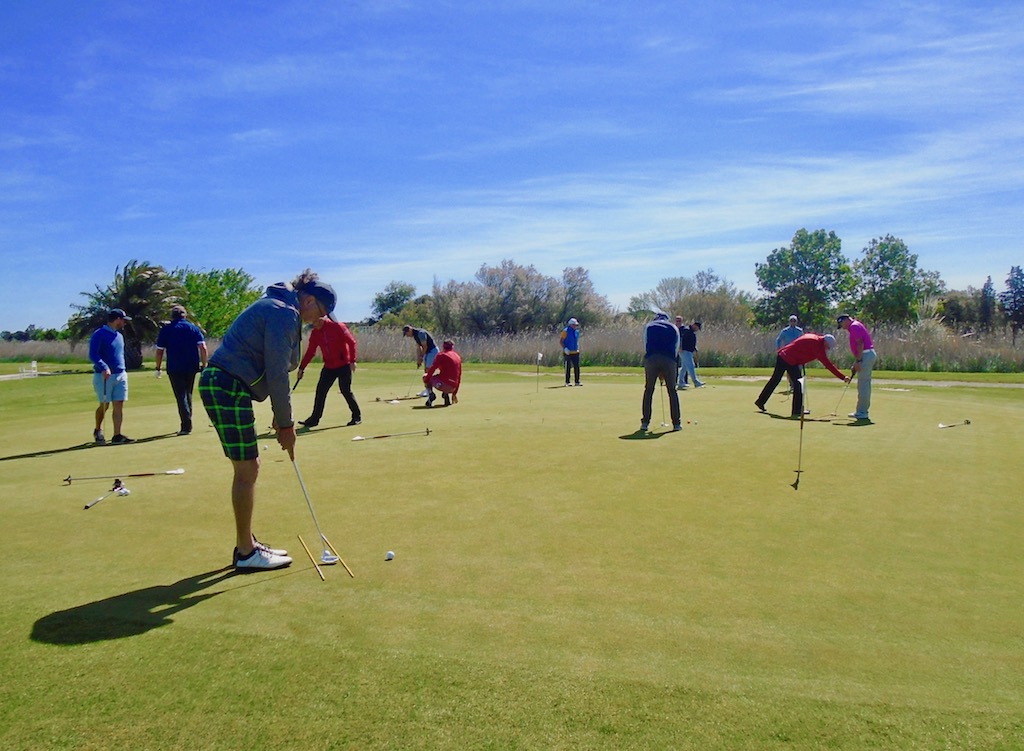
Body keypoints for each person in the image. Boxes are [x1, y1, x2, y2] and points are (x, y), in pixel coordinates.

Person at [198, 270, 336, 572]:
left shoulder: (279, 307)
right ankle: (246, 553)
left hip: (225, 384)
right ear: (309, 300)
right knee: (248, 469)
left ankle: (246, 545)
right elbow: (276, 370)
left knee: (248, 467)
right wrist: (286, 425)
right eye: (319, 313)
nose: (316, 321)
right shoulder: (284, 313)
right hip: (226, 385)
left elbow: (274, 368)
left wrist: (279, 414)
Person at [755, 333, 850, 417]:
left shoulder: (814, 337)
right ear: (825, 342)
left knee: (794, 383)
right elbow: (828, 365)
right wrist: (842, 377)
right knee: (781, 381)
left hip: (789, 359)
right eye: (828, 347)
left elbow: (801, 348)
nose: (827, 349)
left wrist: (801, 360)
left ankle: (795, 409)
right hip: (786, 358)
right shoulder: (817, 346)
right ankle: (793, 410)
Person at [297, 314, 360, 427]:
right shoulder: (315, 333)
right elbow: (311, 352)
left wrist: (352, 360)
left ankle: (356, 416)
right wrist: (302, 367)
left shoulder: (338, 327)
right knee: (321, 391)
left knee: (345, 390)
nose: (314, 324)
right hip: (329, 366)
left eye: (316, 320)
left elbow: (351, 342)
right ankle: (314, 419)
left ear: (323, 317)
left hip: (343, 364)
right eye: (313, 322)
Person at [154, 305, 208, 435]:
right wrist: (204, 364)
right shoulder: (193, 328)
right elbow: (203, 348)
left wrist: (158, 367)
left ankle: (186, 425)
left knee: (181, 395)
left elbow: (159, 351)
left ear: (172, 316)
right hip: (191, 366)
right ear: (185, 315)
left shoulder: (167, 330)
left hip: (175, 367)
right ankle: (187, 420)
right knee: (187, 393)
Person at [89, 308, 134, 445]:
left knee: (119, 404)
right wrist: (104, 367)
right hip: (104, 375)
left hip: (120, 374)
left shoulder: (119, 336)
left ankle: (117, 435)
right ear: (117, 319)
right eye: (123, 320)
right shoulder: (99, 334)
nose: (125, 323)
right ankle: (98, 430)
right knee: (104, 405)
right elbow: (93, 354)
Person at [640, 313, 681, 432]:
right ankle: (676, 423)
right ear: (667, 319)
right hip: (669, 359)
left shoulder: (649, 326)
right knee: (672, 391)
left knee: (649, 390)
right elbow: (676, 348)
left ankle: (645, 423)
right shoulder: (673, 327)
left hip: (651, 358)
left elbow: (645, 344)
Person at [837, 314, 876, 421]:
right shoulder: (855, 326)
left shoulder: (854, 326)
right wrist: (856, 362)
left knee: (863, 384)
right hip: (865, 355)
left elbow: (860, 344)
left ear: (845, 320)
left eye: (841, 324)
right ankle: (860, 411)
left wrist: (858, 361)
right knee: (862, 384)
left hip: (865, 355)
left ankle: (862, 412)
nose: (843, 327)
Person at [422, 339, 462, 407]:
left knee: (425, 376)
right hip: (453, 387)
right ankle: (446, 396)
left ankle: (431, 395)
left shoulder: (441, 355)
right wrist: (454, 393)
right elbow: (459, 375)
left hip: (443, 385)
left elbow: (432, 369)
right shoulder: (457, 356)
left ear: (443, 346)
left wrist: (426, 380)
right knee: (443, 376)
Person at [403, 325, 438, 396]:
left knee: (428, 370)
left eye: (407, 333)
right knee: (426, 371)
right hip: (428, 352)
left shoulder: (420, 333)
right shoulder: (415, 335)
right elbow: (418, 348)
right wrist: (418, 358)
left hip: (432, 351)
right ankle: (428, 390)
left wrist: (421, 357)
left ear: (410, 330)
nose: (407, 336)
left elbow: (425, 346)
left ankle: (429, 391)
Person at [775, 314, 804, 394]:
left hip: (797, 352)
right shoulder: (785, 331)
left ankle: (797, 384)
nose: (793, 322)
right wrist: (779, 348)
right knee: (789, 370)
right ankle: (792, 384)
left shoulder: (799, 331)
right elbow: (779, 340)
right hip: (788, 352)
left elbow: (803, 340)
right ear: (789, 321)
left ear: (796, 322)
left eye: (794, 321)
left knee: (799, 369)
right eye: (791, 321)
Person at [678, 320, 705, 388]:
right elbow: (681, 339)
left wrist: (695, 349)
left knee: (684, 367)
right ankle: (696, 382)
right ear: (694, 325)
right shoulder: (686, 330)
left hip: (688, 351)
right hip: (684, 351)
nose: (697, 330)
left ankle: (680, 382)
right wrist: (680, 347)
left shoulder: (691, 332)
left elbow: (690, 342)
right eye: (697, 328)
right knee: (691, 365)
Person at [559, 317, 582, 386]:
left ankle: (577, 381)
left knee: (577, 367)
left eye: (576, 325)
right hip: (568, 352)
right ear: (571, 325)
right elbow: (561, 341)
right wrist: (565, 348)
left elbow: (576, 341)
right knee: (568, 367)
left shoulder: (577, 331)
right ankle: (567, 382)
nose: (576, 326)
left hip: (575, 352)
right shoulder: (565, 331)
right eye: (574, 325)